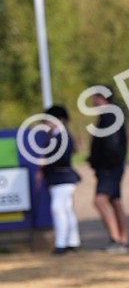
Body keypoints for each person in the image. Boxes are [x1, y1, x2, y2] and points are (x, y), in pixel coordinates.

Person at [88, 87, 129, 252]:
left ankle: (115, 239)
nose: (92, 100)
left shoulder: (109, 116)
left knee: (99, 201)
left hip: (109, 168)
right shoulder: (114, 114)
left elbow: (111, 143)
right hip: (114, 166)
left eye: (94, 96)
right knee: (115, 201)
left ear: (101, 97)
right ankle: (123, 239)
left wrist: (105, 164)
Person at [39, 104, 81, 254]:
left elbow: (62, 157)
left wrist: (46, 161)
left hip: (61, 177)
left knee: (58, 209)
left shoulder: (61, 136)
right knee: (67, 209)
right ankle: (72, 241)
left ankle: (61, 243)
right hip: (61, 177)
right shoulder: (58, 136)